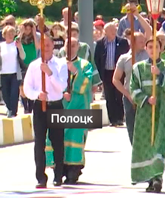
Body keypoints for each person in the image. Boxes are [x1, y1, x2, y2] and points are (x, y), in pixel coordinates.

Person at [45, 35, 96, 184]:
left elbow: (86, 82)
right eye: (68, 45)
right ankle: (58, 169)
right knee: (56, 138)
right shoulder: (56, 63)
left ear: (78, 48)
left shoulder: (85, 65)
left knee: (75, 138)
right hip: (60, 107)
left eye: (73, 45)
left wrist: (75, 71)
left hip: (79, 107)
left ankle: (74, 171)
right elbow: (51, 81)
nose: (70, 48)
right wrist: (62, 92)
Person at [129, 38, 165, 192]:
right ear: (146, 48)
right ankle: (148, 177)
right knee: (145, 144)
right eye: (150, 47)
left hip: (161, 111)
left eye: (156, 47)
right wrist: (145, 99)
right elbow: (133, 88)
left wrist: (160, 75)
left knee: (159, 143)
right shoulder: (138, 68)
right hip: (144, 112)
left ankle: (157, 177)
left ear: (161, 49)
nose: (153, 50)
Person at [24, 34, 68, 188]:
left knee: (57, 142)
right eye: (43, 44)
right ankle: (41, 177)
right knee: (39, 143)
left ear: (53, 45)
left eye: (49, 43)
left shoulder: (60, 64)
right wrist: (37, 95)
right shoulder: (33, 65)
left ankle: (58, 175)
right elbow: (27, 87)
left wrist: (50, 73)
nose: (46, 47)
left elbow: (62, 87)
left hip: (55, 105)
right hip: (39, 106)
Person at [114, 32, 150, 143]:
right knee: (132, 125)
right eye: (141, 41)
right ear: (133, 43)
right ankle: (136, 151)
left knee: (149, 124)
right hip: (130, 97)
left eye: (144, 41)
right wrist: (128, 95)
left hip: (147, 95)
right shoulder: (124, 58)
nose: (144, 43)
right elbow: (116, 79)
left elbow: (148, 29)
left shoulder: (148, 55)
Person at [94, 22, 129, 126]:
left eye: (115, 29)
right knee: (109, 96)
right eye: (111, 30)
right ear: (105, 32)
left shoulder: (122, 42)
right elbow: (97, 59)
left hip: (118, 72)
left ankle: (119, 117)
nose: (114, 32)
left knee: (119, 95)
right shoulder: (100, 43)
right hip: (106, 73)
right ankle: (112, 119)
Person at [1, 25, 25, 117]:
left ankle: (13, 112)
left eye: (12, 33)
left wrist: (20, 47)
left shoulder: (16, 44)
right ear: (4, 35)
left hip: (15, 73)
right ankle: (9, 109)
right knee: (5, 94)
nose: (10, 35)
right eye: (8, 33)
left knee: (14, 94)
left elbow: (23, 57)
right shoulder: (1, 46)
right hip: (3, 73)